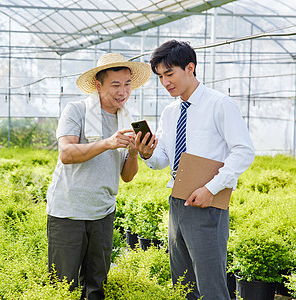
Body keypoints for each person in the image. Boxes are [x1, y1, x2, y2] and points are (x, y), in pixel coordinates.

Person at [135, 40, 255, 300]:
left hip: (207, 204)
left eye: (170, 74)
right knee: (183, 284)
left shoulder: (220, 104)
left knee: (210, 286)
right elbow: (163, 158)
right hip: (177, 201)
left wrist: (210, 189)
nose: (165, 82)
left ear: (190, 68)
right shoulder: (170, 111)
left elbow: (244, 151)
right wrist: (146, 153)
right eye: (160, 77)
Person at [46, 53, 152, 300]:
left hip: (102, 213)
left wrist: (134, 152)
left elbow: (127, 176)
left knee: (95, 286)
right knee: (63, 286)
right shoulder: (77, 111)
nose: (122, 91)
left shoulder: (127, 119)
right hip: (68, 212)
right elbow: (67, 153)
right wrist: (108, 143)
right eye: (115, 84)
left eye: (127, 84)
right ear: (98, 84)